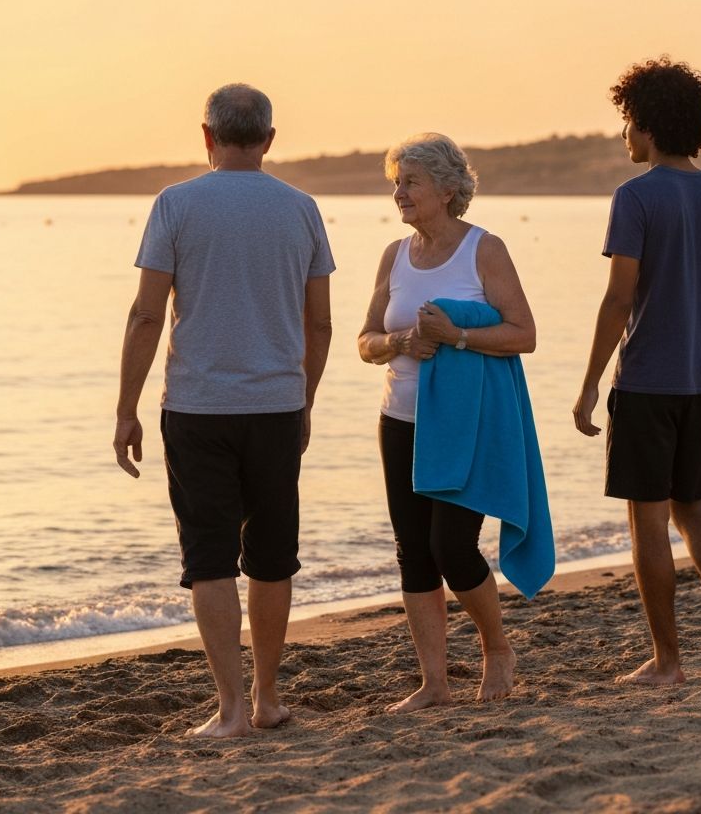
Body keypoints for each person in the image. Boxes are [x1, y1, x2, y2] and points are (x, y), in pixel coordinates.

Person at [113, 83, 334, 737]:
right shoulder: (301, 209)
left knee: (208, 557)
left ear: (206, 135)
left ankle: (231, 709)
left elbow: (147, 313)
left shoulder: (176, 204)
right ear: (268, 139)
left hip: (197, 409)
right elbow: (319, 325)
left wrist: (125, 408)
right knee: (271, 556)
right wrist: (305, 400)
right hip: (275, 407)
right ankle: (267, 699)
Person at [573, 57, 701, 686]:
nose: (624, 136)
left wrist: (590, 382)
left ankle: (668, 661)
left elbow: (618, 299)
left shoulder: (635, 197)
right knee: (694, 508)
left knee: (648, 520)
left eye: (627, 123)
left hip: (648, 382)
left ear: (648, 126)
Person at [358, 133, 541, 713]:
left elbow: (523, 334)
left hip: (466, 422)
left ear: (447, 188)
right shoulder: (394, 254)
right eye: (396, 182)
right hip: (401, 419)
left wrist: (457, 336)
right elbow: (366, 341)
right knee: (413, 550)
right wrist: (401, 341)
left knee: (451, 546)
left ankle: (496, 648)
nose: (399, 193)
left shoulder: (483, 250)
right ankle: (434, 683)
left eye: (410, 181)